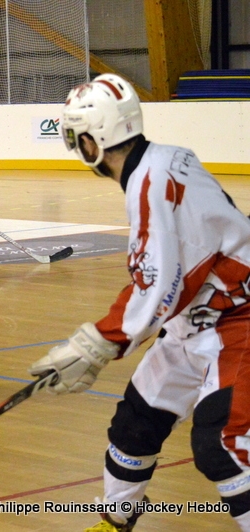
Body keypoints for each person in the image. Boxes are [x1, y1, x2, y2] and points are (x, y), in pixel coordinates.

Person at [28, 74, 250, 532]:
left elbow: (157, 285)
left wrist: (94, 343)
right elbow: (171, 277)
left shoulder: (150, 184)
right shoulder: (168, 158)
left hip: (239, 323)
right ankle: (116, 521)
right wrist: (105, 340)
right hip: (196, 322)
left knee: (221, 445)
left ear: (91, 142)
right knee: (134, 424)